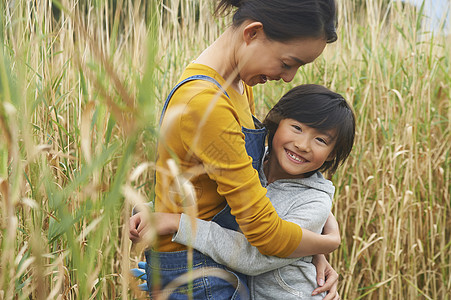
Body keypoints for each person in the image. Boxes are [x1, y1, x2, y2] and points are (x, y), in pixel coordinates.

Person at [129, 0, 341, 299]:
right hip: (197, 275)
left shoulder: (237, 85)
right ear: (253, 33)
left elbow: (247, 187)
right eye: (287, 63)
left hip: (216, 262)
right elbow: (263, 232)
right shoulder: (206, 105)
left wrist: (314, 250)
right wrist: (329, 241)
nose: (289, 77)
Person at [150, 84, 355, 299]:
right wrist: (155, 210)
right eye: (297, 128)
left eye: (320, 140)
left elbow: (254, 256)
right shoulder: (249, 163)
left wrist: (180, 224)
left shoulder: (313, 202)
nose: (303, 145)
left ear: (332, 154)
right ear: (277, 121)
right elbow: (210, 198)